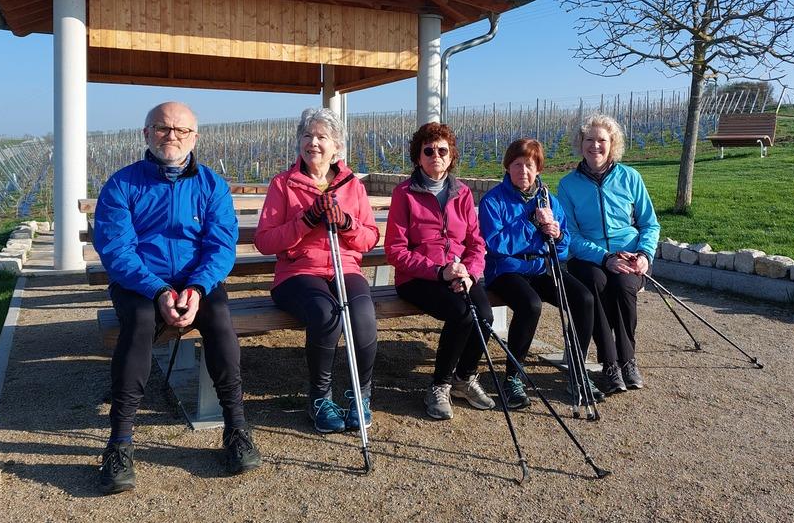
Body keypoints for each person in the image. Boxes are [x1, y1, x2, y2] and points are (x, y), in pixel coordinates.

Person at [92, 101, 261, 494]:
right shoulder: (122, 184)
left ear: (194, 137)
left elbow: (221, 246)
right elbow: (117, 249)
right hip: (140, 283)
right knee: (141, 322)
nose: (173, 136)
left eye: (182, 130)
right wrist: (158, 290)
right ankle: (119, 441)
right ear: (146, 133)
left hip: (197, 282)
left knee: (220, 320)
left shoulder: (211, 185)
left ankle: (236, 428)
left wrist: (198, 288)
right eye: (163, 128)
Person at [255, 107, 380, 434]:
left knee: (363, 314)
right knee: (327, 315)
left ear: (337, 146)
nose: (313, 143)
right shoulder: (283, 184)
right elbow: (265, 241)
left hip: (345, 267)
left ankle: (360, 393)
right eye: (307, 136)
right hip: (297, 272)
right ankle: (320, 397)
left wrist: (346, 222)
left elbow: (368, 238)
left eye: (322, 137)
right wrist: (307, 220)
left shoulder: (353, 186)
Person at [478, 138, 603, 408]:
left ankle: (577, 369)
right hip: (507, 270)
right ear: (507, 167)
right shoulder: (493, 200)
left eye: (529, 165)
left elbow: (563, 244)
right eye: (517, 164)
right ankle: (513, 377)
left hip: (541, 267)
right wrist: (531, 225)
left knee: (583, 299)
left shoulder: (548, 199)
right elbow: (495, 244)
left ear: (539, 169)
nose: (523, 171)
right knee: (530, 304)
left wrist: (555, 235)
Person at [385, 122, 496, 421]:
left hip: (459, 273)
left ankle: (465, 377)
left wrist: (469, 273)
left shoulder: (462, 194)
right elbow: (395, 250)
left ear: (451, 156)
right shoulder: (404, 194)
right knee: (461, 314)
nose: (436, 155)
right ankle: (439, 385)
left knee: (484, 316)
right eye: (429, 150)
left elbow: (476, 242)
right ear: (418, 156)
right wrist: (438, 272)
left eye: (442, 150)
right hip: (418, 277)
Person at [557, 114, 660, 395]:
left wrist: (644, 255)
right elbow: (571, 236)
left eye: (601, 140)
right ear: (580, 144)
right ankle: (610, 363)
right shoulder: (568, 185)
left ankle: (629, 360)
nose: (595, 146)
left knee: (624, 287)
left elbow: (650, 223)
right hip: (588, 258)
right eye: (588, 140)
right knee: (596, 284)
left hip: (628, 255)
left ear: (612, 143)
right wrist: (604, 258)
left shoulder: (631, 178)